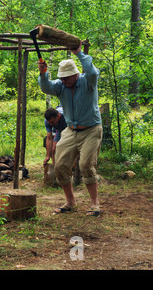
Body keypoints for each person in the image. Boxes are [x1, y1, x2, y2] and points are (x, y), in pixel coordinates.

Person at [38, 41, 102, 216]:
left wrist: (79, 53)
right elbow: (46, 87)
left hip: (91, 129)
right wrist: (43, 73)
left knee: (86, 165)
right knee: (60, 165)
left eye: (66, 77)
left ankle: (95, 204)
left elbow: (92, 71)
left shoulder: (88, 82)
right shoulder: (61, 85)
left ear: (75, 74)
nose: (63, 80)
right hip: (70, 130)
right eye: (62, 78)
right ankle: (70, 202)